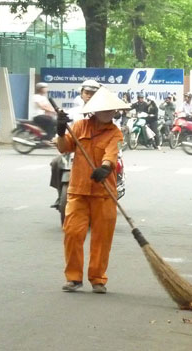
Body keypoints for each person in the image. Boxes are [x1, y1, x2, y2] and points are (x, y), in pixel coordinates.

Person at [57, 86, 128, 294]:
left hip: (104, 193)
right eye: (104, 109)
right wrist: (60, 131)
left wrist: (105, 168)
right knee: (72, 233)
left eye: (112, 110)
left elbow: (111, 154)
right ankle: (73, 278)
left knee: (101, 238)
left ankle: (97, 278)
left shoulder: (115, 132)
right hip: (78, 190)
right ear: (95, 110)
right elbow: (64, 147)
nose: (109, 113)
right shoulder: (78, 127)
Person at [50, 80, 101, 207]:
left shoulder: (103, 113)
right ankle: (60, 193)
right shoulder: (73, 112)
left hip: (97, 151)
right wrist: (58, 136)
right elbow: (63, 132)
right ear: (82, 94)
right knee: (56, 163)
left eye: (93, 93)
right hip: (74, 150)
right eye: (87, 92)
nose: (89, 96)